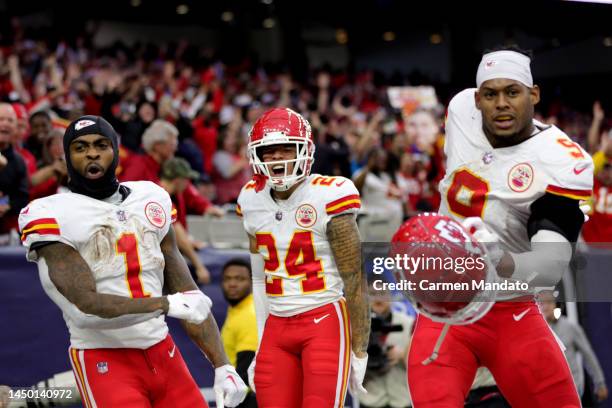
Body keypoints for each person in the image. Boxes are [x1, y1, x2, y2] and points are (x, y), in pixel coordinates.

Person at [403, 46, 593, 407]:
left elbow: (550, 265)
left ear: (533, 94)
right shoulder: (461, 111)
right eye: (491, 94)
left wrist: (501, 259)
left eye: (512, 92)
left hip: (512, 308)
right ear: (477, 100)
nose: (501, 103)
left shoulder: (561, 159)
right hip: (447, 309)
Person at [18, 115, 247, 407]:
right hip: (104, 356)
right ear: (67, 156)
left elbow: (189, 296)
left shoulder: (150, 197)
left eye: (101, 144)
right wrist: (164, 305)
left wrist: (221, 365)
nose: (91, 152)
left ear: (115, 149)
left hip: (162, 351)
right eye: (80, 147)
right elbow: (85, 309)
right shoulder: (52, 213)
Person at [237, 107, 370, 407]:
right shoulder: (250, 198)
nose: (277, 159)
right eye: (268, 151)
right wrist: (260, 342)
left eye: (286, 149)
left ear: (305, 151)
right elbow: (259, 278)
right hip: (277, 326)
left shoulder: (329, 194)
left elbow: (354, 277)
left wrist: (360, 349)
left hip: (323, 319)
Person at [539, 291, 608, 402]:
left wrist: (600, 383)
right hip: (550, 393)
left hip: (572, 389)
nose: (545, 306)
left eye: (549, 302)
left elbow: (588, 356)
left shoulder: (570, 327)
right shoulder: (539, 332)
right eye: (542, 303)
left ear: (556, 305)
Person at [159, 157, 212, 284]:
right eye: (186, 180)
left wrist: (189, 241)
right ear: (178, 181)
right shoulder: (162, 199)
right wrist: (200, 267)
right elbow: (180, 237)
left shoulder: (162, 193)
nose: (188, 184)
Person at [358, 290, 414, 408]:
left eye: (382, 293)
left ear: (391, 296)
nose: (378, 299)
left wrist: (403, 354)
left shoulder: (408, 323)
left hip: (402, 398)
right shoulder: (355, 328)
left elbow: (421, 363)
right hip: (370, 399)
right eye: (373, 294)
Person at [220, 258, 259, 408]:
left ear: (251, 282)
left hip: (245, 399)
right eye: (227, 279)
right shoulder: (237, 311)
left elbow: (247, 369)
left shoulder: (249, 314)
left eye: (240, 279)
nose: (232, 284)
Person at [0, 103, 29, 234]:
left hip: (5, 233)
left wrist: (8, 206)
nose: (5, 124)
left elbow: (22, 196)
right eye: (1, 119)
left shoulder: (19, 162)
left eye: (10, 120)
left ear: (15, 126)